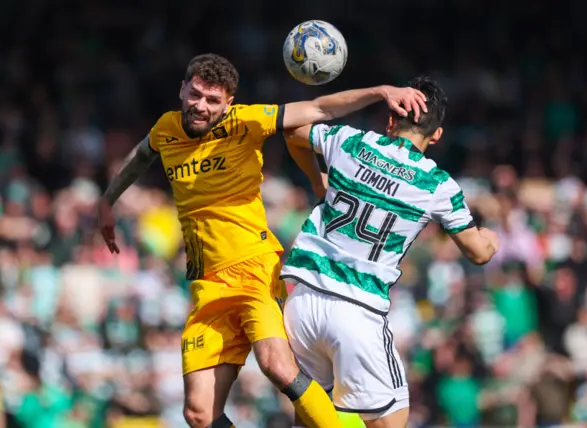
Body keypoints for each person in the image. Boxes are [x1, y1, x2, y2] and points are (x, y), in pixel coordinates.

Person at [97, 53, 428, 428]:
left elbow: (319, 108)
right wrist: (107, 201)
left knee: (276, 365)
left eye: (212, 100)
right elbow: (142, 156)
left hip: (253, 269)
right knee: (199, 415)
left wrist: (380, 91)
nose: (201, 106)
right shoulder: (166, 129)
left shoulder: (246, 122)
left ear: (229, 104)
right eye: (196, 95)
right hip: (206, 285)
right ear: (183, 89)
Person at [282, 76, 500, 428]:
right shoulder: (437, 184)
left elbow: (293, 129)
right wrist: (491, 237)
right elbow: (478, 253)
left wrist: (316, 180)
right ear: (437, 135)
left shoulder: (351, 141)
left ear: (390, 120)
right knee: (390, 421)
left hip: (302, 302)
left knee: (312, 419)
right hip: (356, 310)